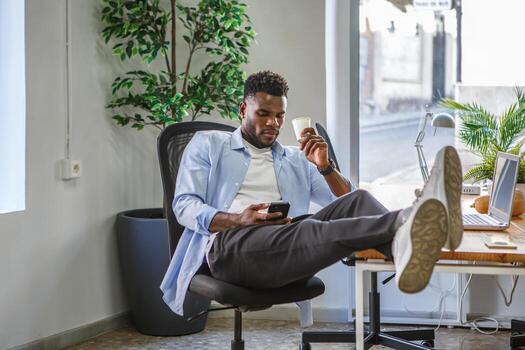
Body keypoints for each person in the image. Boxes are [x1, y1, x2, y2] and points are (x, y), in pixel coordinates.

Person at [160, 71, 463, 322]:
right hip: (229, 249)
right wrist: (239, 219)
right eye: (263, 114)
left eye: (280, 116)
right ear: (243, 110)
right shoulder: (209, 144)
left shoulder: (294, 158)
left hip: (286, 244)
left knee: (357, 200)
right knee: (308, 228)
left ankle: (405, 244)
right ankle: (410, 225)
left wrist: (325, 167)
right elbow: (184, 207)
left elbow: (347, 204)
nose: (273, 124)